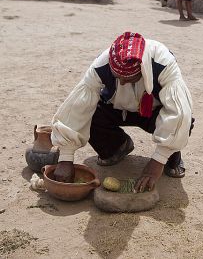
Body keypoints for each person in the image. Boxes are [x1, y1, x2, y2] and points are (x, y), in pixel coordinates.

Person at [51, 32, 194, 192]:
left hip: (152, 112)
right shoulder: (101, 64)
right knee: (91, 112)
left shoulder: (163, 63)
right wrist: (65, 158)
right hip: (116, 109)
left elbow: (179, 112)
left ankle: (170, 158)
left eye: (129, 78)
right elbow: (76, 108)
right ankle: (117, 147)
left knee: (184, 120)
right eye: (117, 77)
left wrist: (157, 162)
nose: (123, 82)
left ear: (143, 69)